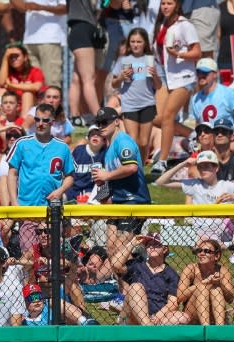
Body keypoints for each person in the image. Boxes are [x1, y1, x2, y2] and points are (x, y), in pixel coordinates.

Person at [91, 107, 151, 257]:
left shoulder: (123, 141)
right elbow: (111, 179)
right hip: (118, 203)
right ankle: (132, 277)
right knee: (111, 250)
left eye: (104, 122)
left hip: (134, 202)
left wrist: (105, 176)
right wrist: (102, 185)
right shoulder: (108, 148)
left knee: (120, 252)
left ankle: (139, 278)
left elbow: (131, 167)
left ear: (117, 121)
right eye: (98, 123)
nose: (101, 127)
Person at [151, 0, 201, 174]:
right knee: (156, 117)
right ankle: (191, 133)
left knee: (168, 116)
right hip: (165, 76)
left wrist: (178, 53)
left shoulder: (185, 25)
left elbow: (197, 52)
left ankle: (162, 161)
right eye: (163, 3)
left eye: (169, 3)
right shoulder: (161, 23)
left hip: (183, 77)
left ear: (177, 5)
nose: (165, 6)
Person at [111, 231, 186, 325]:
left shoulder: (171, 274)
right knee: (136, 287)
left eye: (156, 244)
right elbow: (115, 264)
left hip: (157, 318)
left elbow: (173, 303)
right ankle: (147, 328)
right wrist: (132, 243)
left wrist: (158, 315)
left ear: (164, 249)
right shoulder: (137, 264)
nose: (151, 247)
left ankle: (149, 328)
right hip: (133, 316)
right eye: (148, 244)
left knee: (182, 317)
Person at [110, 28, 161, 162]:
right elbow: (114, 84)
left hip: (147, 104)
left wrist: (155, 75)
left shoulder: (151, 60)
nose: (135, 44)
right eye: (132, 41)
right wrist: (121, 77)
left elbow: (159, 86)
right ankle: (134, 169)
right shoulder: (123, 60)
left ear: (145, 43)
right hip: (129, 104)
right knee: (132, 139)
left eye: (139, 41)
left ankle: (141, 167)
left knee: (144, 142)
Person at [190, 58, 234, 148]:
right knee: (184, 142)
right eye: (198, 72)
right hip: (208, 142)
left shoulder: (228, 94)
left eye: (205, 73)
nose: (201, 75)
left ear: (215, 74)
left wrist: (230, 138)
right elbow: (199, 126)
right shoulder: (195, 98)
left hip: (227, 140)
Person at [176, 237, 234, 324]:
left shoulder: (222, 270)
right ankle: (206, 327)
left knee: (216, 289)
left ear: (216, 256)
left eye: (206, 251)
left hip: (215, 315)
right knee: (203, 288)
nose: (201, 253)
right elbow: (179, 298)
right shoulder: (191, 268)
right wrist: (202, 283)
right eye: (199, 250)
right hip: (192, 314)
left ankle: (220, 327)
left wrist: (220, 284)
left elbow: (230, 299)